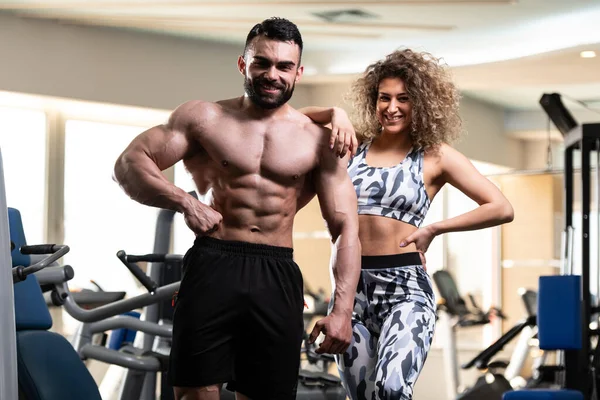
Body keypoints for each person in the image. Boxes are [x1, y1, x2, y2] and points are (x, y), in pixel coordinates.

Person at [113, 17, 361, 400]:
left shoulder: (318, 141)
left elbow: (345, 228)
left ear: (298, 72)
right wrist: (184, 201)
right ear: (243, 64)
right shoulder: (203, 119)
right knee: (194, 394)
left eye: (283, 66)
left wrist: (342, 310)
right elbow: (129, 164)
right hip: (213, 262)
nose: (272, 74)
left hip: (276, 271)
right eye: (262, 62)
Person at [301, 48, 515, 400]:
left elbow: (501, 207)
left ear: (421, 103)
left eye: (403, 98)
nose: (392, 107)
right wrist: (334, 113)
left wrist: (435, 229)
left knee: (392, 389)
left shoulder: (434, 155)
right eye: (384, 98)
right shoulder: (353, 146)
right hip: (350, 291)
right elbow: (291, 120)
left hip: (406, 289)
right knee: (362, 396)